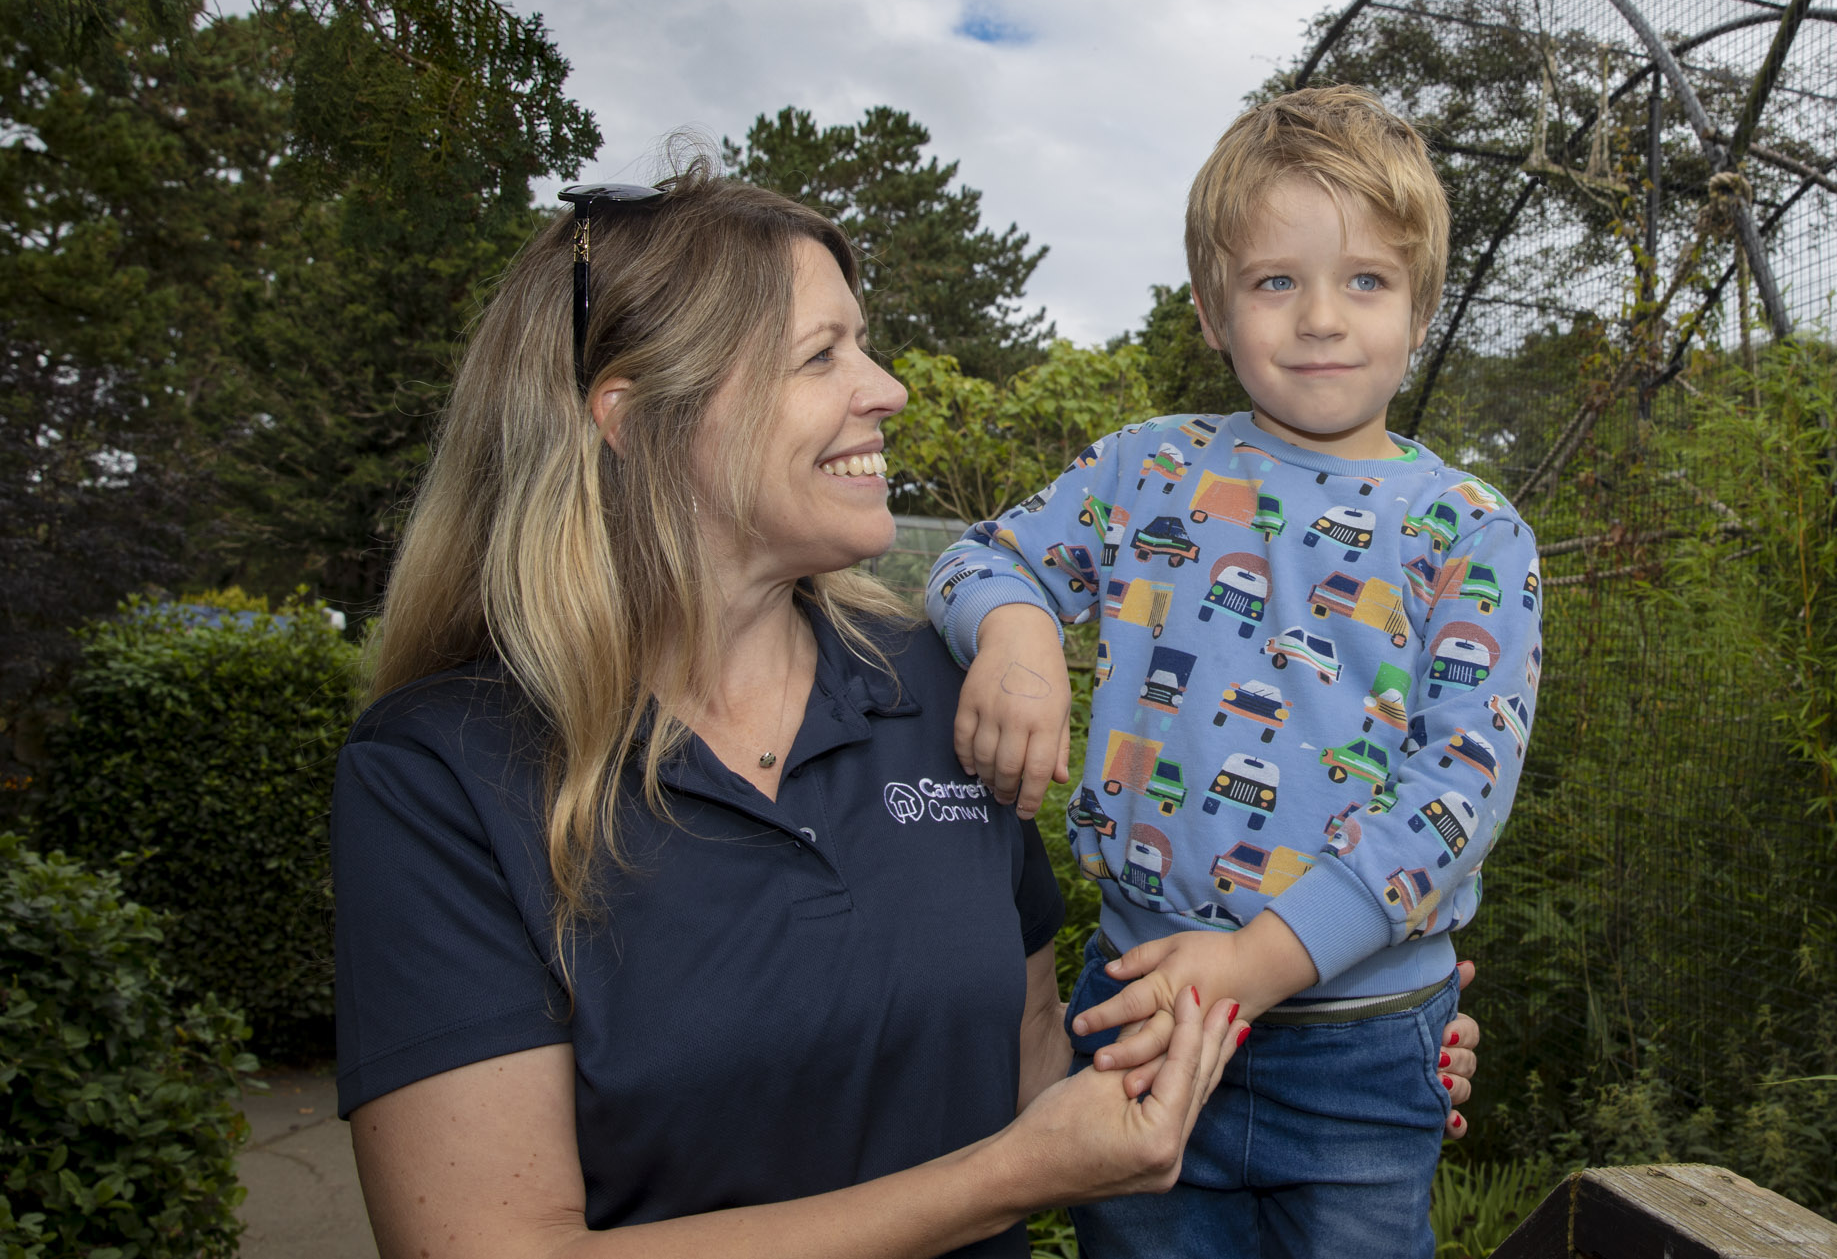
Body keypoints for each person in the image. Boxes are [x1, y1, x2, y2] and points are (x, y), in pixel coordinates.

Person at [329, 167, 1489, 1259]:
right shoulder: (445, 777)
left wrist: (1335, 1035)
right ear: (636, 421)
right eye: (820, 355)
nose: (886, 388)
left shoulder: (935, 688)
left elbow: (1041, 1065)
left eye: (863, 344)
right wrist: (1006, 1178)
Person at [923, 86, 1542, 1258]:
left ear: (1421, 309)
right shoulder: (1142, 472)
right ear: (1212, 309)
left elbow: (1458, 790)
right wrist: (1019, 633)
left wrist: (1256, 966)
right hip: (1145, 1005)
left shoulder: (1470, 530)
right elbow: (979, 559)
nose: (1321, 318)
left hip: (1361, 1041)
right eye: (1274, 281)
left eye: (1367, 280)